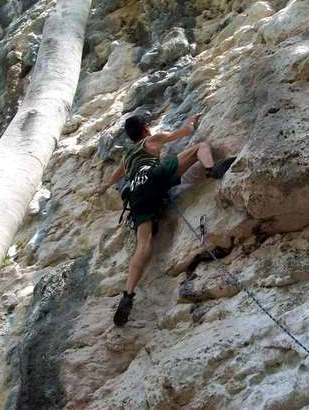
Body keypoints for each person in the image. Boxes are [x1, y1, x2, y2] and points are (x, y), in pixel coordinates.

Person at [97, 113, 235, 326]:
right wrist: (191, 121)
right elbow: (184, 133)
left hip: (135, 195)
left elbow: (114, 177)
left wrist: (102, 188)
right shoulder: (150, 140)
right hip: (154, 177)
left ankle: (128, 294)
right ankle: (211, 170)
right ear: (144, 129)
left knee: (144, 245)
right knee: (200, 146)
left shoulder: (126, 158)